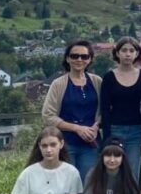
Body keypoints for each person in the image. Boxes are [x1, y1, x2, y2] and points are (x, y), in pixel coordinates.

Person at [42, 40, 102, 183]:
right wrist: (77, 128)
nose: (79, 59)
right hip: (66, 144)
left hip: (91, 144)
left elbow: (105, 109)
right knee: (66, 185)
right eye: (74, 56)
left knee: (88, 185)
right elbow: (48, 115)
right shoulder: (58, 84)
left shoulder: (97, 82)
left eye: (84, 56)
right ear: (67, 58)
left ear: (90, 59)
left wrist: (96, 127)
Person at [101, 36, 141, 186]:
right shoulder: (109, 77)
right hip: (115, 129)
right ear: (117, 53)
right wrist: (107, 137)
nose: (128, 54)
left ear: (137, 54)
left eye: (131, 50)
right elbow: (104, 109)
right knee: (113, 171)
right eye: (124, 50)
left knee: (133, 172)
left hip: (137, 130)